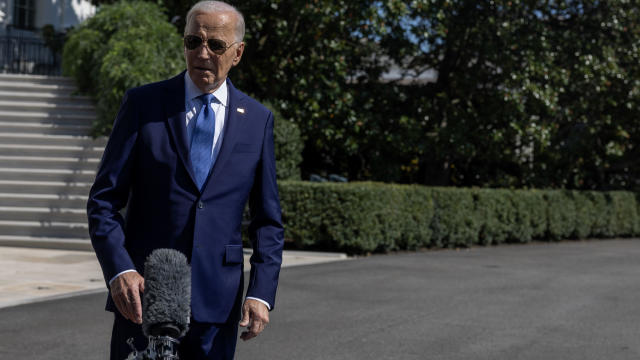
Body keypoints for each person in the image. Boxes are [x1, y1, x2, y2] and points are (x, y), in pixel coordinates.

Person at [86, 1, 284, 359]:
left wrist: (261, 292)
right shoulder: (143, 105)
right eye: (193, 41)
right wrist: (121, 269)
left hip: (217, 303)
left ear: (237, 53)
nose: (202, 53)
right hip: (145, 297)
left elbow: (268, 221)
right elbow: (103, 201)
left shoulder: (257, 120)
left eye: (216, 45)